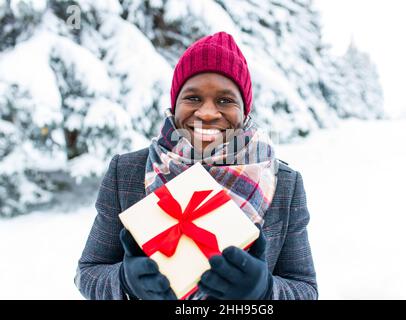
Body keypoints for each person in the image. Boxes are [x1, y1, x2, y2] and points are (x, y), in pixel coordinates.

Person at [75, 31, 318, 300]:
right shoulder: (128, 171)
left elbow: (304, 288)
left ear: (245, 111)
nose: (207, 113)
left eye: (225, 100)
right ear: (175, 104)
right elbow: (88, 272)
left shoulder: (283, 183)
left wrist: (265, 291)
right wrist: (124, 282)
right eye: (193, 98)